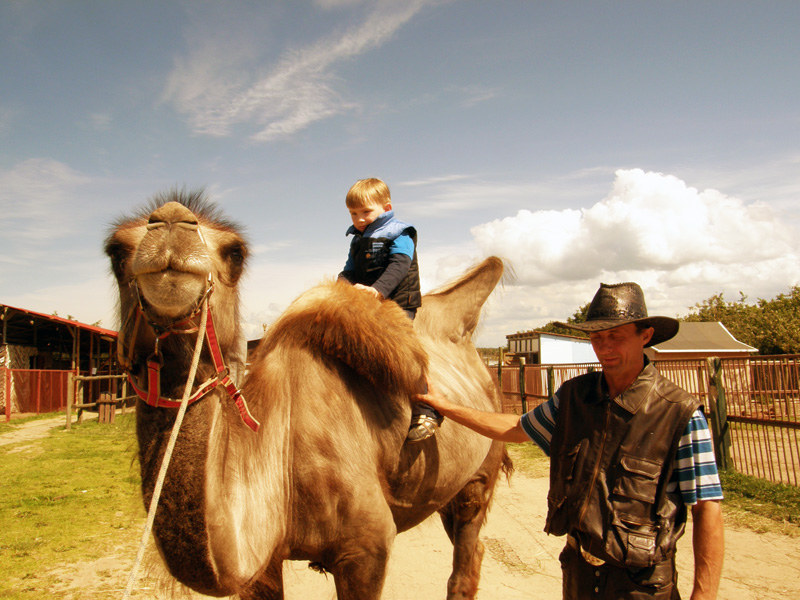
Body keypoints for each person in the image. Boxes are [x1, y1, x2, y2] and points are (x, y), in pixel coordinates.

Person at [414, 282, 724, 599]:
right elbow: (517, 428)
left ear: (645, 336)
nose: (605, 347)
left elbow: (707, 509)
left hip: (640, 586)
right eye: (597, 338)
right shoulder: (575, 397)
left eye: (616, 336)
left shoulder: (681, 414)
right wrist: (445, 406)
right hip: (578, 575)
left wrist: (703, 595)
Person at [338, 177, 442, 443]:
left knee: (403, 348)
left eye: (366, 211)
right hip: (370, 302)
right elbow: (349, 270)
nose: (359, 219)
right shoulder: (357, 239)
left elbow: (400, 265)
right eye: (353, 213)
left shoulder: (400, 232)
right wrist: (340, 288)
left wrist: (378, 290)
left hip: (399, 301)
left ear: (386, 208)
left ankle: (426, 409)